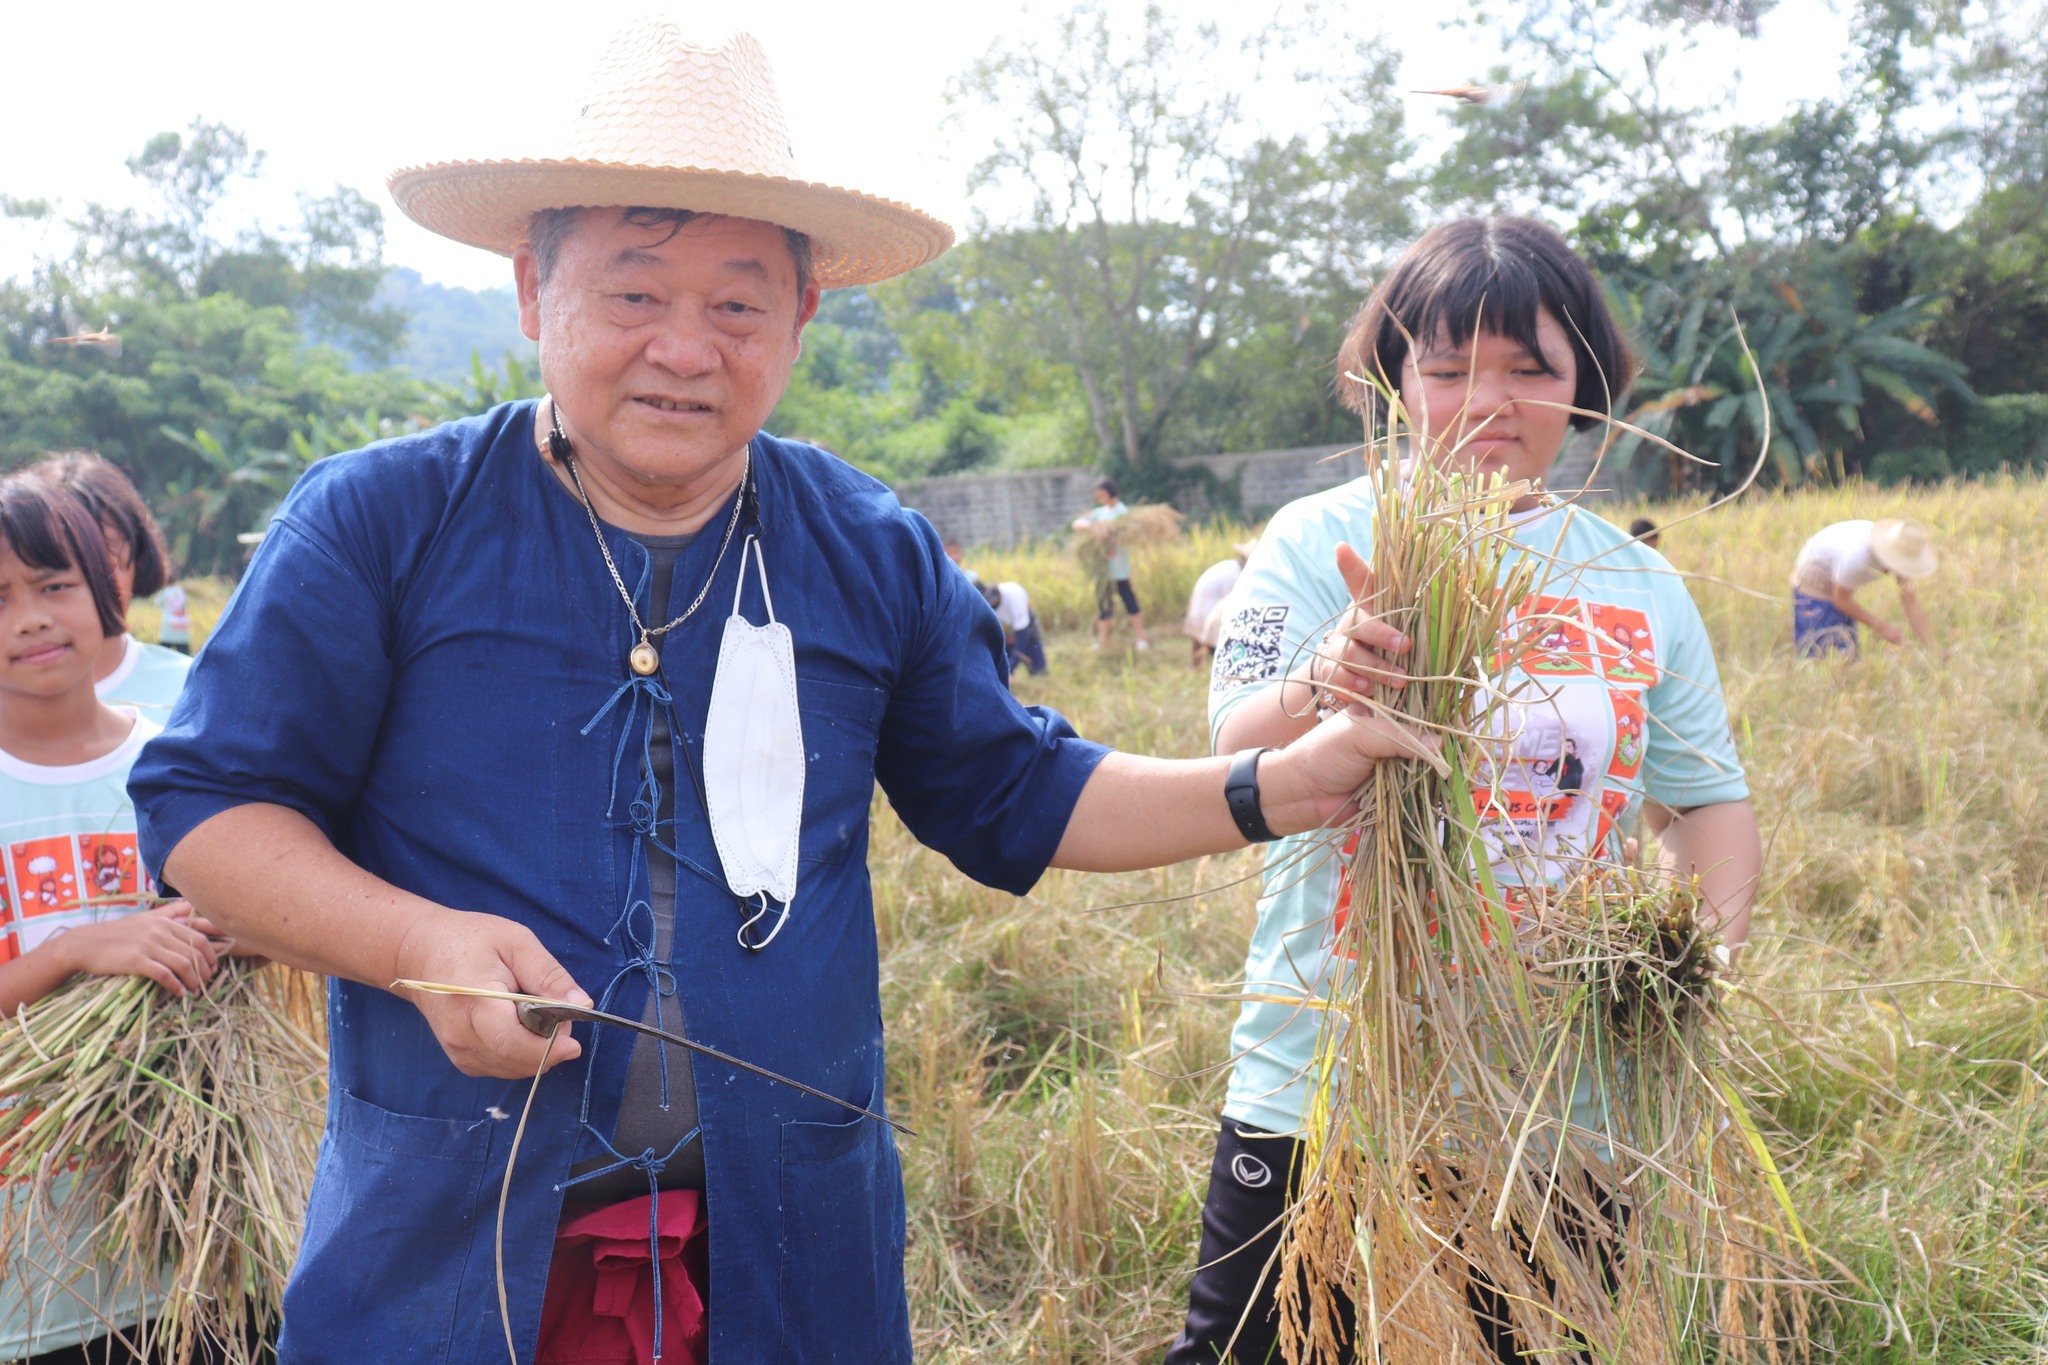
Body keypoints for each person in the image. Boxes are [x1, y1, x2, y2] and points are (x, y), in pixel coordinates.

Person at [126, 21, 1429, 1365]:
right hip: (452, 1252)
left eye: (738, 303)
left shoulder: (861, 547)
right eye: (635, 293)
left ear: (802, 316)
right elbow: (211, 813)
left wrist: (1279, 783)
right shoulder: (381, 525)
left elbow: (1016, 787)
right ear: (532, 289)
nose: (686, 348)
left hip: (787, 1255)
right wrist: (425, 944)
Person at [1174, 216, 1761, 1364]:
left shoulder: (1635, 581)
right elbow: (1227, 751)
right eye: (1444, 370)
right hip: (1327, 1079)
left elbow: (1702, 807)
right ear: (1390, 383)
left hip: (1565, 1098)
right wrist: (1326, 671)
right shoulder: (1319, 538)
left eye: (1525, 369)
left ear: (1583, 384)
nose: (1484, 401)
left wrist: (1694, 964)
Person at [0, 473, 224, 1365]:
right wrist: (74, 950)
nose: (29, 618)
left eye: (53, 586)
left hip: (198, 1248)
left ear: (108, 587)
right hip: (33, 1271)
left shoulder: (178, 763)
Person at [31, 454, 192, 711]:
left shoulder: (192, 693)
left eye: (100, 557)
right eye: (54, 569)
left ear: (138, 557)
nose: (80, 583)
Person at [1790, 517, 1937, 657]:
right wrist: (1882, 627)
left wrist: (1932, 648)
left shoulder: (1903, 557)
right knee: (1821, 651)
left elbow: (1910, 601)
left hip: (1839, 580)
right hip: (1814, 581)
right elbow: (1841, 599)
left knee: (1847, 653)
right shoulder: (1858, 557)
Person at [1072, 477, 1150, 651]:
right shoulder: (1100, 513)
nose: (1099, 498)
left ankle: (1141, 638)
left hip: (1120, 569)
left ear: (1110, 492)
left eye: (1102, 494)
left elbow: (1131, 534)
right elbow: (1077, 524)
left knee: (1130, 602)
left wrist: (1110, 533)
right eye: (1097, 496)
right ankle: (1103, 641)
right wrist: (1092, 528)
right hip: (1103, 571)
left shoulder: (1123, 513)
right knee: (1104, 606)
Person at [1184, 540, 1254, 669]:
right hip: (1208, 606)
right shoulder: (1235, 574)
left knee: (1199, 641)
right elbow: (1232, 601)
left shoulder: (1230, 566)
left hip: (1202, 603)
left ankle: (1196, 669)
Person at [979, 578, 1045, 680]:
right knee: (1003, 652)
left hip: (1025, 626)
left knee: (1033, 650)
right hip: (1005, 628)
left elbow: (1022, 635)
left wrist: (1012, 665)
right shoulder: (984, 603)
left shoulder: (1014, 598)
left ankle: (1038, 674)